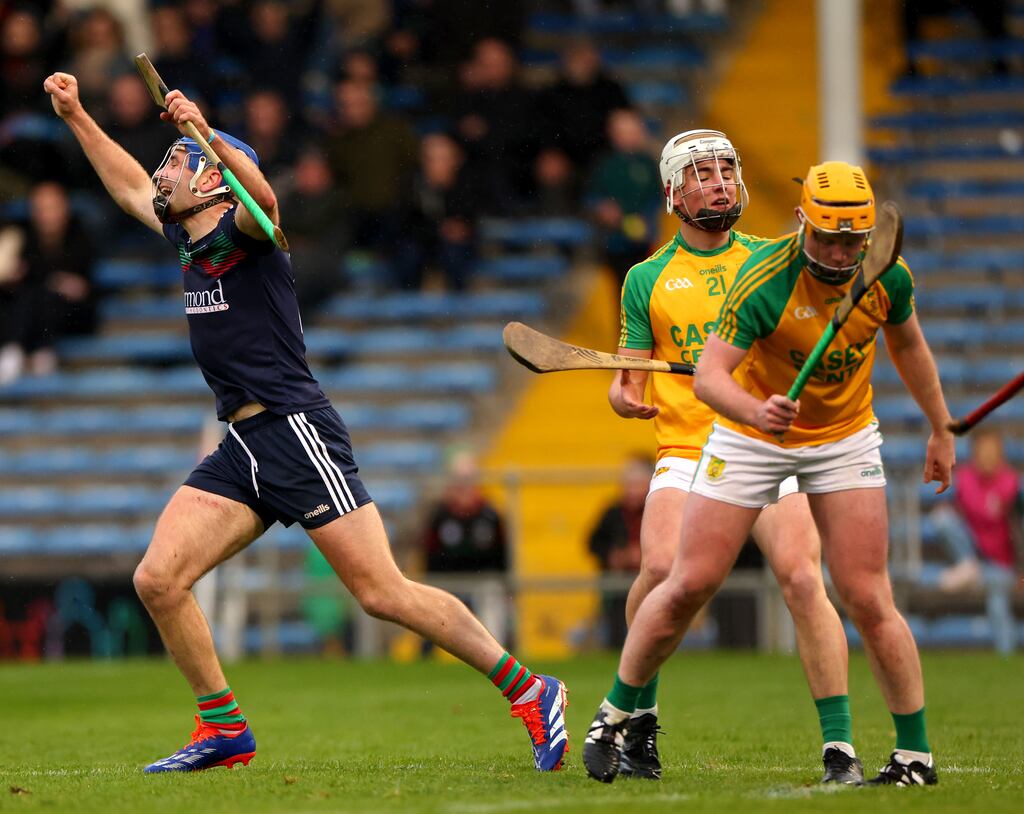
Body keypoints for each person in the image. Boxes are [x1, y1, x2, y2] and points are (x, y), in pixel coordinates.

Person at [43, 70, 568, 774]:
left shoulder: (248, 232)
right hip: (243, 445)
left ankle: (532, 691)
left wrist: (204, 133)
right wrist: (78, 114)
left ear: (212, 178)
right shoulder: (188, 240)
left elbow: (264, 197)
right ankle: (224, 729)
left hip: (297, 431)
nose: (161, 171)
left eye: (176, 160)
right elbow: (129, 185)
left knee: (382, 594)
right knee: (158, 579)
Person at [584, 159, 955, 788]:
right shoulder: (742, 280)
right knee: (678, 579)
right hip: (740, 438)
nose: (839, 255)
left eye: (852, 241)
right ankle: (621, 715)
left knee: (846, 589)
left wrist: (941, 425)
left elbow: (909, 344)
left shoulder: (883, 275)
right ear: (802, 223)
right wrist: (752, 408)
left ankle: (877, 753)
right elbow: (695, 379)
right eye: (827, 238)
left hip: (839, 438)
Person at [932, 428, 1021, 654]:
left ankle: (1005, 655)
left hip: (999, 565)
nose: (988, 456)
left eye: (993, 451)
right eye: (983, 450)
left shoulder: (1012, 485)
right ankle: (967, 565)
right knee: (941, 518)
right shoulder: (964, 478)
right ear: (974, 453)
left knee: (997, 594)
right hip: (973, 554)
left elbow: (1019, 532)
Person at [587, 455, 648, 649]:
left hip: (647, 580)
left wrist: (645, 555)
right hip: (616, 580)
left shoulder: (654, 508)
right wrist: (612, 556)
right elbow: (593, 543)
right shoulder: (612, 512)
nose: (631, 491)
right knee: (616, 627)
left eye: (636, 485)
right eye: (628, 485)